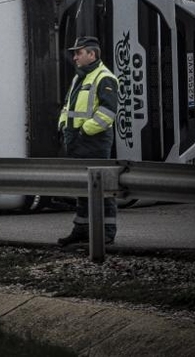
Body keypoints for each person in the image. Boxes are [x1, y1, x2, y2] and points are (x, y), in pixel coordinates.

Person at [56, 35, 119, 247]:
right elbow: (69, 106)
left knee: (103, 188)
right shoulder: (79, 77)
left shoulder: (104, 77)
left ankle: (107, 232)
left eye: (79, 53)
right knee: (82, 188)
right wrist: (63, 124)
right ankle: (81, 229)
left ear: (92, 54)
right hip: (76, 141)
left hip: (94, 142)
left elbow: (107, 113)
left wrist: (85, 131)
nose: (75, 57)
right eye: (75, 53)